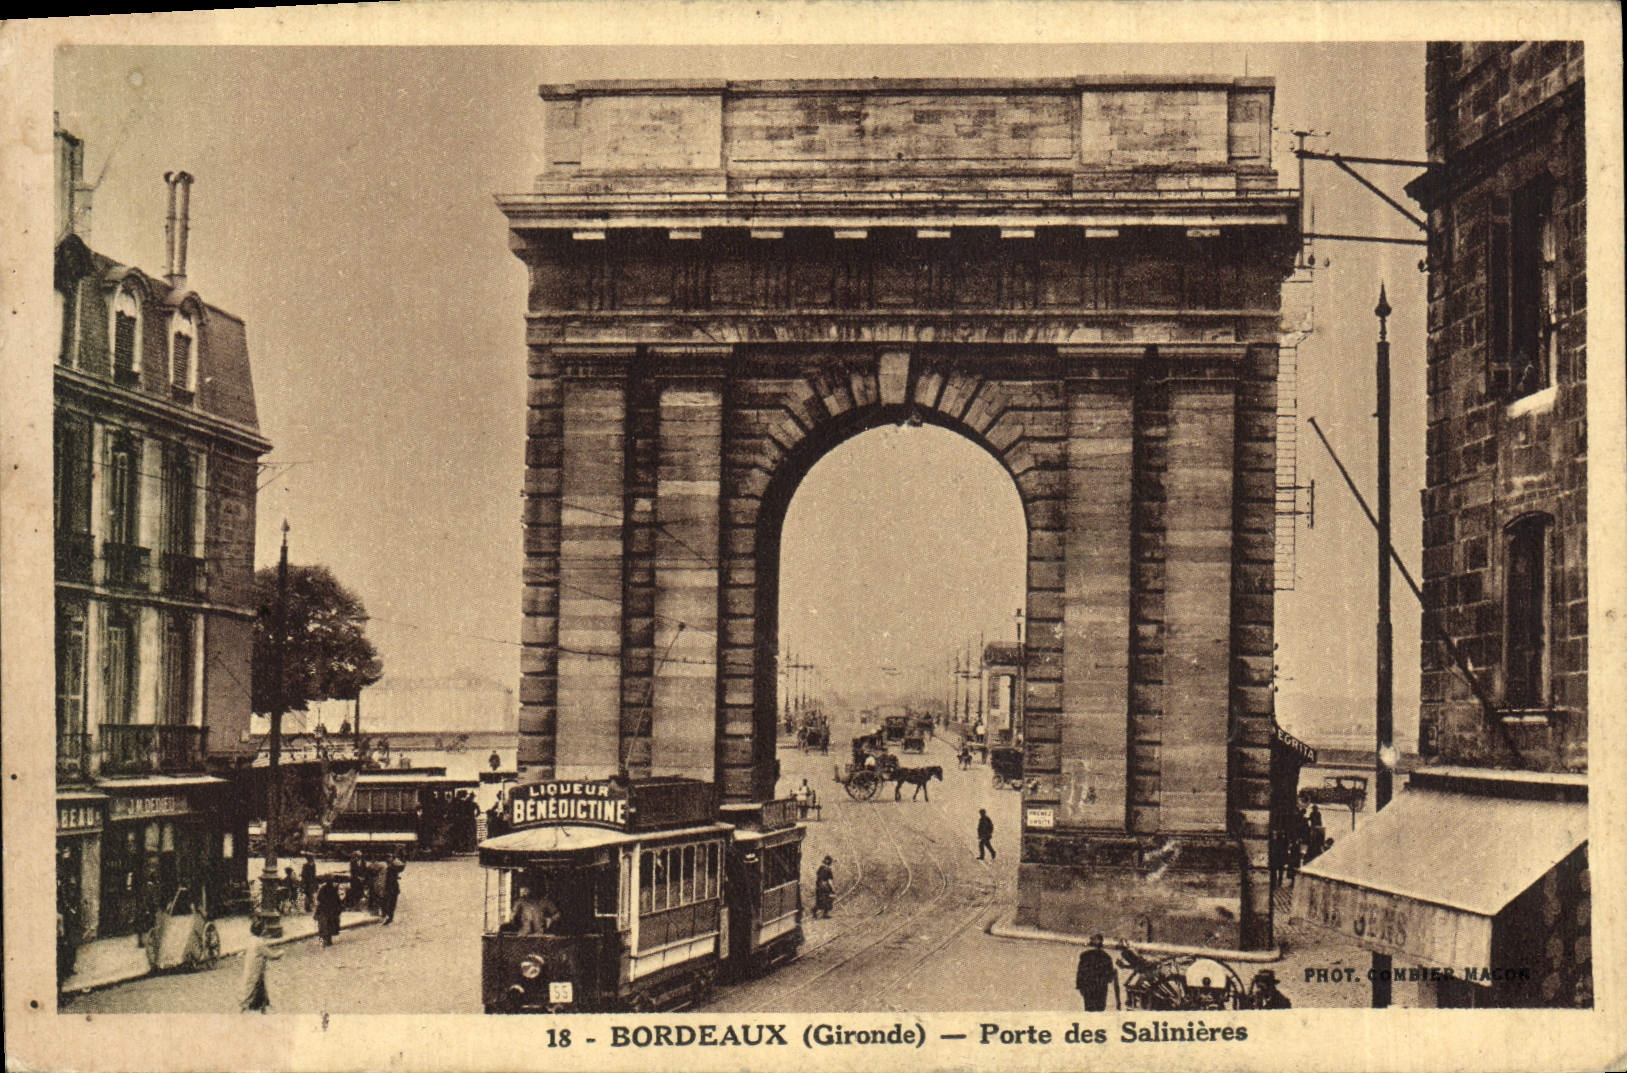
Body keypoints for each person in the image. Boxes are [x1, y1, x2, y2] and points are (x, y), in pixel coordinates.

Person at [239, 919, 283, 1013]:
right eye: (263, 929)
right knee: (252, 991)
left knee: (258, 989)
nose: (264, 931)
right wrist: (281, 952)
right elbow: (272, 956)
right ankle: (246, 1009)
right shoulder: (259, 943)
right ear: (260, 931)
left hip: (252, 970)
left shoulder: (250, 940)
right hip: (256, 973)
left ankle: (262, 1008)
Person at [1075, 934, 1121, 1011]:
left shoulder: (1085, 956)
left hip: (1088, 989)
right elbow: (1109, 978)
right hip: (1101, 989)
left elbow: (1080, 973)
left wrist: (1080, 986)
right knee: (1100, 1010)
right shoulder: (1107, 957)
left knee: (1089, 1011)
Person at [315, 877, 343, 946]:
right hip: (327, 910)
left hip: (327, 910)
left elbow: (319, 898)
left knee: (325, 926)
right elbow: (337, 900)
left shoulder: (328, 889)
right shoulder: (329, 889)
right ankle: (326, 941)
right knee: (326, 926)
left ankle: (325, 941)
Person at [381, 857, 405, 925]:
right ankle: (389, 917)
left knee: (390, 904)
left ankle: (389, 917)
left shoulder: (391, 869)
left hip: (391, 889)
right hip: (391, 889)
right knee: (390, 904)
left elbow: (402, 866)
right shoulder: (392, 869)